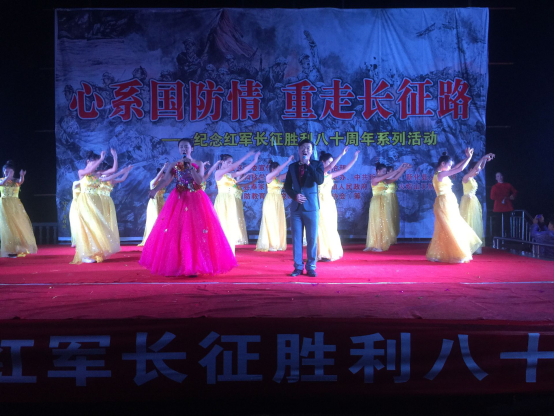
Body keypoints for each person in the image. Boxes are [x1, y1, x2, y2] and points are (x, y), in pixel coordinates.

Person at [139, 138, 237, 276]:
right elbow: (166, 180)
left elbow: (199, 181)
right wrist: (155, 190)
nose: (183, 149)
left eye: (186, 146)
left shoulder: (198, 163)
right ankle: (177, 265)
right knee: (177, 231)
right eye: (181, 147)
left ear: (192, 148)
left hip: (195, 199)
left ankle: (194, 265)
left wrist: (190, 167)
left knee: (195, 231)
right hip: (179, 199)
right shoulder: (174, 164)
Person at [426, 149, 482, 263]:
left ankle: (444, 253)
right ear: (443, 164)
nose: (450, 167)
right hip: (444, 201)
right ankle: (458, 253)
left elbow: (457, 167)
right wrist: (469, 158)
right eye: (449, 165)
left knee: (447, 227)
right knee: (450, 227)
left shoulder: (441, 173)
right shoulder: (440, 174)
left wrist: (466, 158)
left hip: (448, 201)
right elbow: (459, 169)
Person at [284, 139, 325, 277]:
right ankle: (298, 267)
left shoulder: (317, 164)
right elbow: (287, 186)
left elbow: (320, 180)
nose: (305, 150)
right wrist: (294, 196)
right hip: (296, 208)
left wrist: (308, 164)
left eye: (308, 148)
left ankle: (311, 267)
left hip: (311, 207)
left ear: (312, 151)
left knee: (312, 238)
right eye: (302, 147)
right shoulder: (292, 167)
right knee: (296, 239)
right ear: (299, 150)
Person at [71, 151, 120, 264]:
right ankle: (85, 254)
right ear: (88, 161)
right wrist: (101, 159)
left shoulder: (97, 173)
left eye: (97, 163)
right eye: (94, 162)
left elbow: (113, 170)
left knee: (97, 226)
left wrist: (115, 157)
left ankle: (95, 251)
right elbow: (88, 171)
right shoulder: (82, 172)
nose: (96, 165)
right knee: (87, 226)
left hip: (96, 202)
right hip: (85, 201)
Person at [317, 147, 360, 261]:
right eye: (329, 162)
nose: (331, 164)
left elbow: (345, 169)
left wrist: (354, 159)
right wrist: (341, 154)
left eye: (331, 162)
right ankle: (322, 252)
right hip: (320, 203)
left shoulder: (329, 176)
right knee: (321, 227)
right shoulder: (318, 174)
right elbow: (331, 167)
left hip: (329, 203)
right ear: (322, 162)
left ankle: (329, 252)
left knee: (330, 227)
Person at [214, 151, 260, 253]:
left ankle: (229, 248)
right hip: (222, 200)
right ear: (222, 162)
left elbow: (243, 171)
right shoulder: (218, 173)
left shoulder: (230, 175)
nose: (230, 164)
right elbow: (233, 167)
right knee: (222, 223)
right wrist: (247, 155)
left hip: (231, 200)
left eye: (231, 162)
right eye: (228, 162)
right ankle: (219, 248)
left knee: (230, 223)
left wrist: (255, 160)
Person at [364, 163, 410, 252]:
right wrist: (398, 169)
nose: (385, 173)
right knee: (377, 222)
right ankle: (375, 244)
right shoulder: (375, 179)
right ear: (378, 171)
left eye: (385, 171)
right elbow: (387, 176)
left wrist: (403, 170)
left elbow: (395, 178)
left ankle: (380, 244)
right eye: (383, 171)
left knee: (384, 223)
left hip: (384, 202)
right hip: (376, 202)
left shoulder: (384, 181)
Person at [255, 156, 294, 252]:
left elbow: (288, 173)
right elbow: (279, 170)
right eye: (277, 169)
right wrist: (288, 161)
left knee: (278, 220)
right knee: (271, 221)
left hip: (279, 200)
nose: (279, 171)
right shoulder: (268, 177)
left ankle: (278, 243)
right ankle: (271, 244)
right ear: (273, 169)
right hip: (270, 200)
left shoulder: (278, 178)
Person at [0, 160, 37, 257]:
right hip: (4, 204)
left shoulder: (15, 181)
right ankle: (9, 249)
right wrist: (7, 177)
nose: (7, 173)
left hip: (15, 205)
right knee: (7, 226)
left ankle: (17, 247)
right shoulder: (1, 180)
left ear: (13, 172)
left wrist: (22, 175)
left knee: (16, 225)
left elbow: (20, 181)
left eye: (10, 171)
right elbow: (2, 184)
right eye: (6, 171)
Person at [460, 153, 495, 254]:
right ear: (470, 169)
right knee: (467, 222)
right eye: (476, 170)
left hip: (473, 202)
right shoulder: (466, 178)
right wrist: (483, 157)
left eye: (478, 170)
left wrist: (485, 160)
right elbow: (476, 168)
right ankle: (465, 246)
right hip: (467, 202)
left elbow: (480, 167)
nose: (478, 171)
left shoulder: (473, 179)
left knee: (474, 223)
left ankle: (473, 246)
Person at [98, 165, 134, 254]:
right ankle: (100, 241)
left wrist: (127, 171)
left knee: (109, 220)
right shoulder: (100, 178)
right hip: (100, 200)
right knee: (101, 220)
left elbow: (122, 179)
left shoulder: (111, 180)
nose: (111, 172)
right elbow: (108, 178)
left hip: (108, 201)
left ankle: (108, 242)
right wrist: (121, 171)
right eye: (110, 171)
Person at [139, 164, 168, 247]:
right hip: (154, 203)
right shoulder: (153, 182)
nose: (163, 177)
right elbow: (158, 176)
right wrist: (164, 167)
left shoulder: (162, 184)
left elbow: (168, 180)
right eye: (162, 175)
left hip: (161, 202)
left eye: (163, 176)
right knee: (155, 219)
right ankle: (153, 239)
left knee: (162, 220)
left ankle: (161, 238)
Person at [385, 164, 410, 239]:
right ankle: (387, 235)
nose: (393, 172)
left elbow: (396, 176)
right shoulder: (386, 179)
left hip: (393, 198)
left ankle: (392, 235)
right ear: (387, 172)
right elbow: (395, 177)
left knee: (393, 216)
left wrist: (403, 169)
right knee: (388, 216)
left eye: (393, 171)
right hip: (387, 198)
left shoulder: (392, 178)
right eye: (391, 171)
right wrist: (402, 169)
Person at [490, 171, 517, 237]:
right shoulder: (494, 187)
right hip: (498, 207)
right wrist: (502, 197)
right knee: (497, 222)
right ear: (496, 178)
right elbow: (492, 197)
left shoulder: (508, 185)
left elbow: (515, 191)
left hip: (507, 206)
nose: (499, 177)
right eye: (497, 176)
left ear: (502, 176)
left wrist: (512, 196)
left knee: (507, 222)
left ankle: (507, 237)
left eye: (500, 176)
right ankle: (497, 237)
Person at [69, 180, 81, 247]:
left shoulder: (86, 185)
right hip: (75, 206)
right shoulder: (75, 183)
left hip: (83, 205)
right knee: (75, 223)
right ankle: (75, 241)